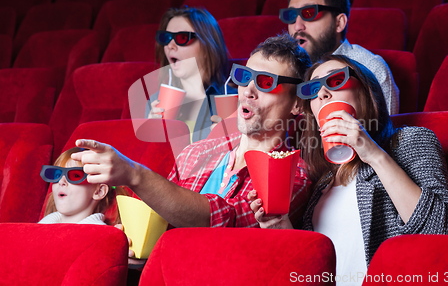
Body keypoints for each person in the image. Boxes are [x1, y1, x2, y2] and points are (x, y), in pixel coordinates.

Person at [249, 55, 448, 285]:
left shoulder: (409, 141)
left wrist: (372, 153)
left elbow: (438, 228)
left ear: (367, 93)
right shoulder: (322, 182)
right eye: (313, 88)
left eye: (336, 80)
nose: (322, 94)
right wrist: (279, 225)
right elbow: (311, 266)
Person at [71, 33, 312, 228]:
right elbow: (160, 219)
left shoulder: (294, 173)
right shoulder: (195, 153)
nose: (248, 90)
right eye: (243, 76)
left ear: (297, 104)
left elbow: (229, 220)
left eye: (266, 82)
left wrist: (135, 174)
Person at [280, 0, 400, 115]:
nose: (297, 26)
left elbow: (384, 134)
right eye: (291, 15)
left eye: (309, 13)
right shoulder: (283, 70)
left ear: (339, 23)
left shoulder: (371, 68)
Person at [147, 6, 237, 142]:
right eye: (166, 38)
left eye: (182, 38)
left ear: (207, 47)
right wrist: (151, 134)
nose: (170, 45)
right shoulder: (155, 103)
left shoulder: (234, 101)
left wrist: (234, 137)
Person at [39, 147, 126, 225]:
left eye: (76, 176)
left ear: (99, 191)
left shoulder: (102, 235)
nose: (61, 182)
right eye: (57, 175)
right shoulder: (38, 229)